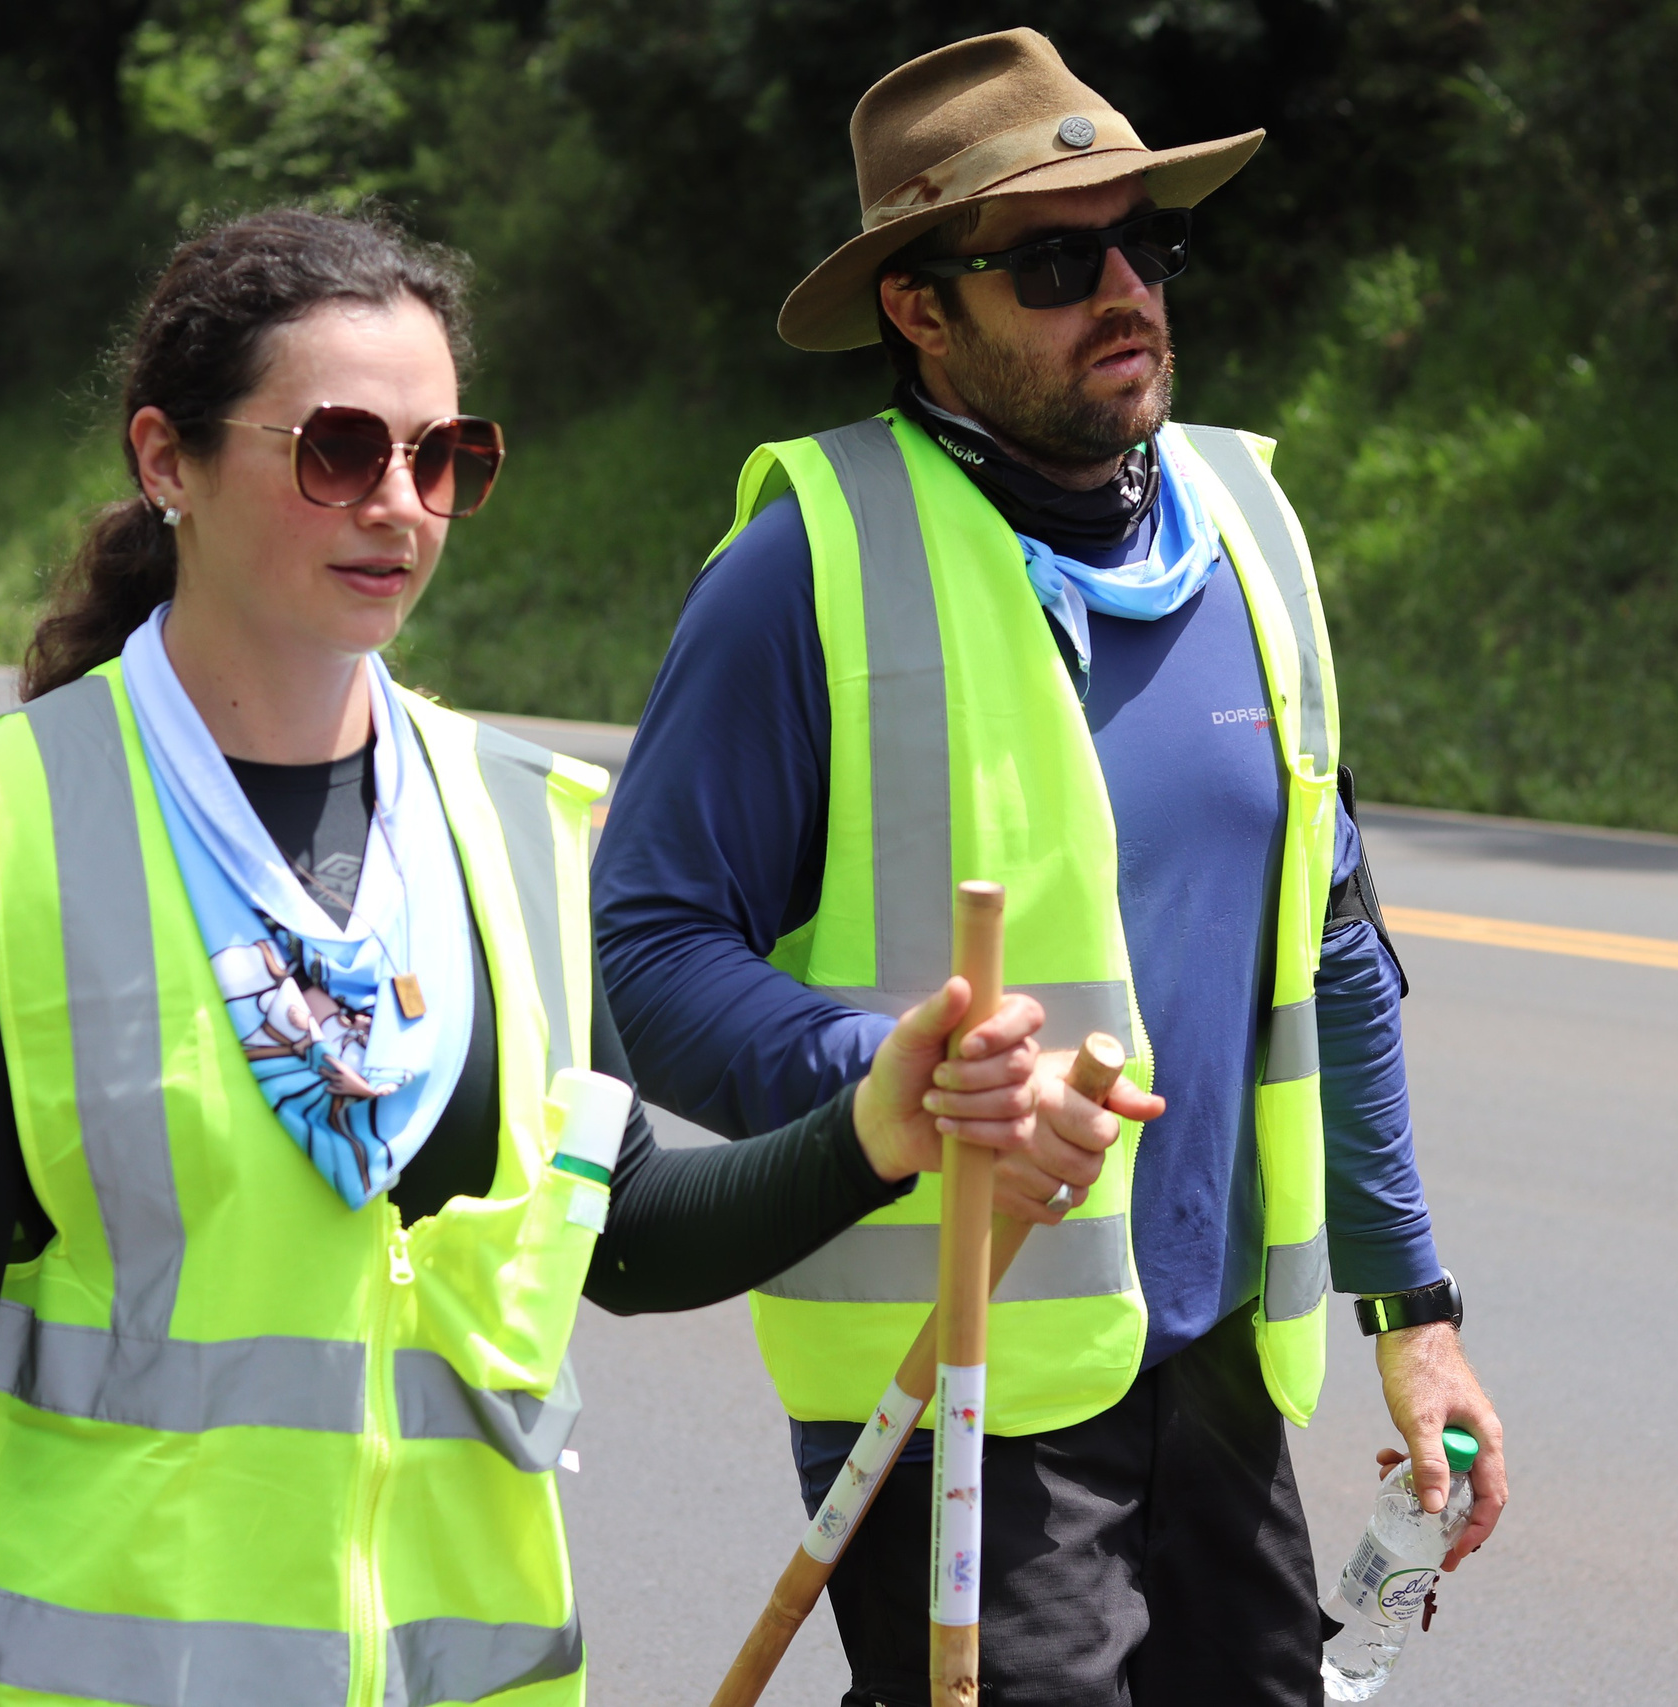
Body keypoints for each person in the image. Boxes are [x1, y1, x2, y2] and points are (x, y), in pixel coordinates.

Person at [0, 206, 1054, 1707]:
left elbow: (624, 1232)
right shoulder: (3, 833)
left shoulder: (524, 829)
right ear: (165, 461)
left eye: (444, 457)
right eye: (339, 449)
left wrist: (875, 1132)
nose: (399, 504)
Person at [592, 30, 1509, 1706]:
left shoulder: (1247, 528)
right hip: (955, 1390)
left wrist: (1416, 1311)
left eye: (1144, 242)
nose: (1125, 293)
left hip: (1216, 1370)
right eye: (1053, 261)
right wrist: (891, 1076)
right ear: (917, 308)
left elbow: (1335, 954)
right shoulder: (810, 563)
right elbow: (646, 955)